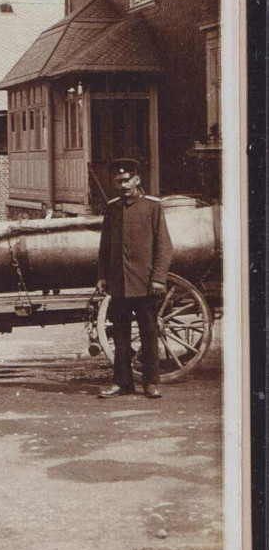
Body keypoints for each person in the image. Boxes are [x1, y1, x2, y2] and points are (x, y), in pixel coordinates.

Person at [95, 157, 173, 399]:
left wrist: (158, 278)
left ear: (137, 180)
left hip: (145, 284)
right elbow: (105, 246)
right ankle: (122, 383)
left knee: (149, 335)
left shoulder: (152, 207)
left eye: (126, 180)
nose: (122, 185)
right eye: (118, 181)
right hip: (119, 284)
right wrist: (102, 276)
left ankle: (151, 383)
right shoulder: (112, 208)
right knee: (120, 337)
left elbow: (164, 246)